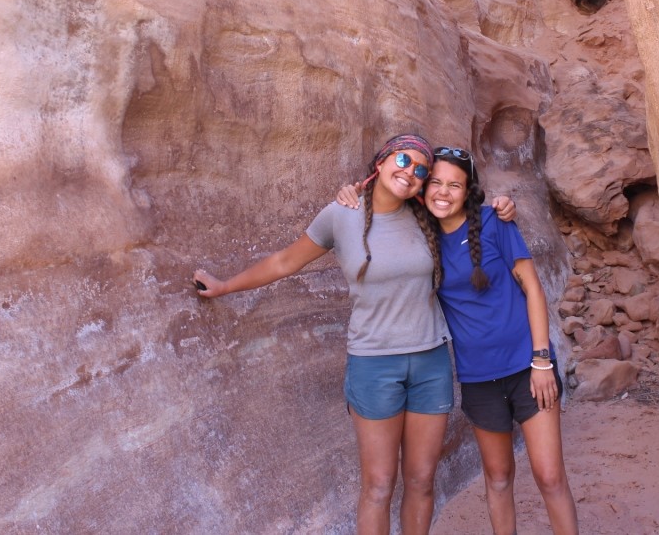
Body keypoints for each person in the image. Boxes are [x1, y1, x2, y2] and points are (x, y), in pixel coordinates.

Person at [193, 134, 515, 535]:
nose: (410, 172)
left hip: (431, 362)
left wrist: (500, 202)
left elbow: (463, 206)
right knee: (379, 486)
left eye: (420, 170)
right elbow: (284, 262)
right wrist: (225, 286)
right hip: (374, 365)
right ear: (380, 162)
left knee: (421, 482)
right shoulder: (340, 215)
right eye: (403, 159)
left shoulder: (424, 215)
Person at [337, 147, 579, 535]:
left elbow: (533, 289)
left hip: (528, 369)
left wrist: (542, 360)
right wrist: (352, 191)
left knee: (549, 476)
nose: (444, 193)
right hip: (478, 378)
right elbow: (381, 199)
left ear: (468, 192)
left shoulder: (495, 223)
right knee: (498, 477)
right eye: (436, 183)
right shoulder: (421, 233)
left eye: (455, 185)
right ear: (424, 188)